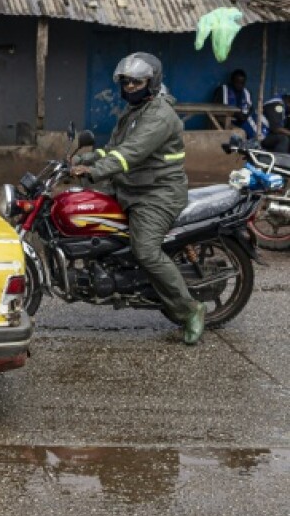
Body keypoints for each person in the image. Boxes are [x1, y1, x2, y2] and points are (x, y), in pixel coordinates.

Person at [70, 52, 207, 346]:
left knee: (145, 249)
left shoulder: (159, 115)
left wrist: (94, 171)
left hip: (157, 193)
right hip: (130, 186)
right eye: (126, 81)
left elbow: (130, 154)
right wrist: (87, 157)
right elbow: (114, 149)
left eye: (136, 82)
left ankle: (189, 308)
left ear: (151, 82)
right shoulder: (133, 112)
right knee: (81, 206)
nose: (130, 86)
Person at [213, 69, 263, 140]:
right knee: (247, 130)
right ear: (232, 81)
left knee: (257, 123)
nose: (239, 85)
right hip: (227, 119)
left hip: (243, 119)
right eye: (237, 82)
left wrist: (246, 115)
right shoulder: (223, 90)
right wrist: (235, 114)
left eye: (242, 83)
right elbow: (216, 108)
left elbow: (250, 107)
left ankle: (258, 141)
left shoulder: (246, 92)